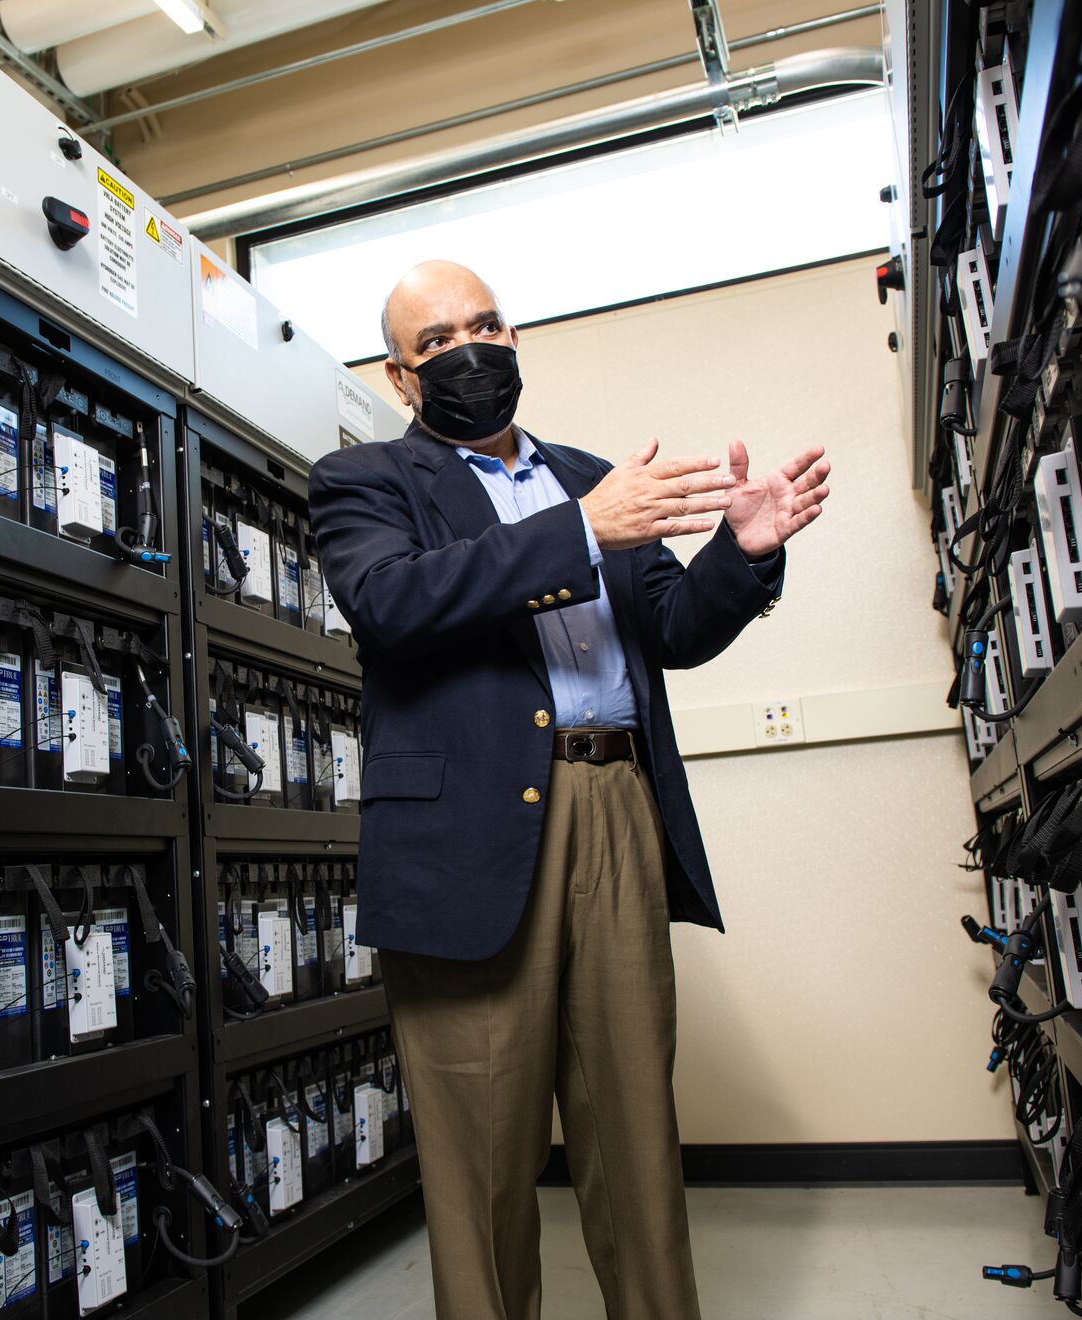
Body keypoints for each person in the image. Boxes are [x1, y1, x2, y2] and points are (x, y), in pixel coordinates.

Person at [307, 260, 831, 1319]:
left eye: (488, 325)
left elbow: (674, 630)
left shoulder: (587, 475)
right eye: (440, 338)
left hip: (617, 810)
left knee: (635, 1125)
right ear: (404, 379)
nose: (472, 350)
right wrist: (586, 528)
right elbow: (393, 603)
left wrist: (742, 550)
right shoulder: (367, 483)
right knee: (482, 1150)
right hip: (468, 839)